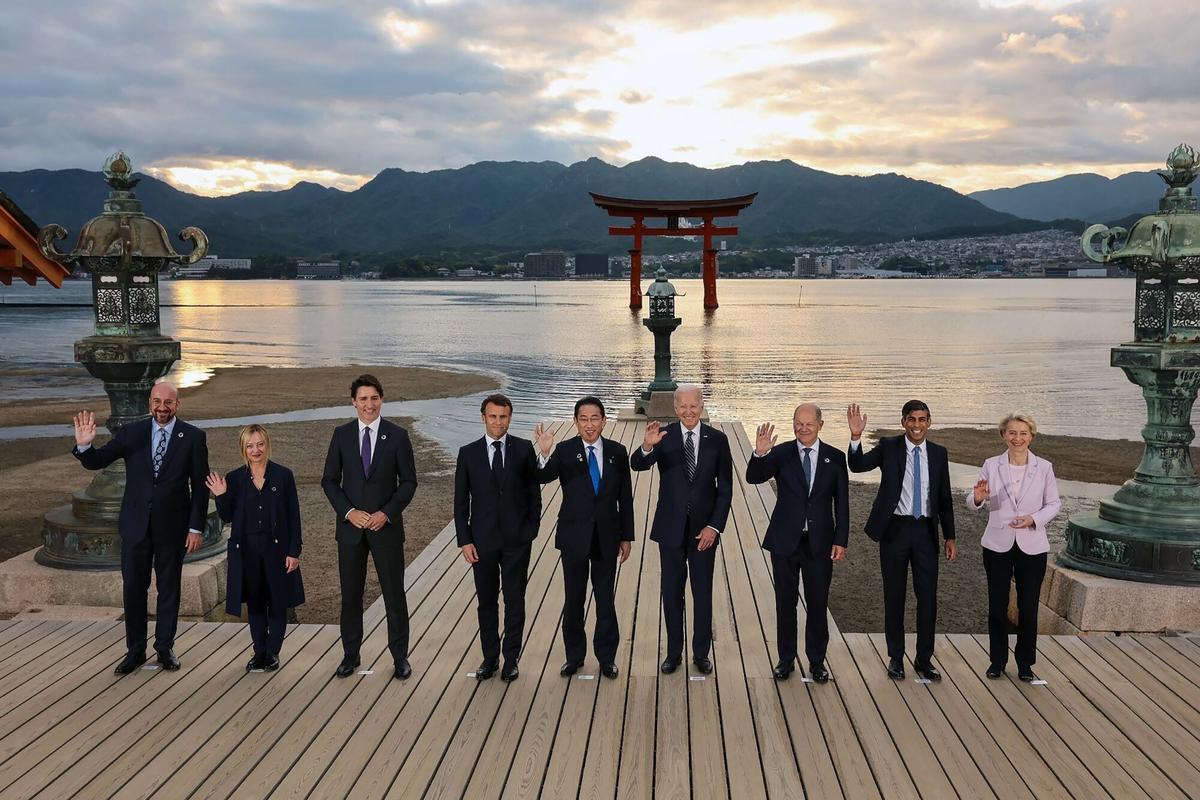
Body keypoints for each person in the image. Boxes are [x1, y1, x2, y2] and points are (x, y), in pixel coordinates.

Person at [72, 381, 209, 675]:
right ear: (150, 402)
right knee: (134, 589)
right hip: (134, 527)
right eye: (157, 401)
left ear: (177, 404)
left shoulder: (194, 437)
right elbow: (98, 461)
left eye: (168, 403)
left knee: (169, 589)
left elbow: (200, 488)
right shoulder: (131, 433)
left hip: (172, 528)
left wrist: (195, 528)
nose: (162, 408)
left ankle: (164, 649)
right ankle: (135, 651)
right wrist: (85, 445)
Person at [847, 400, 956, 681]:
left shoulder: (939, 453)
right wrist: (856, 436)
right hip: (895, 530)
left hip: (925, 533)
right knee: (894, 597)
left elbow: (944, 498)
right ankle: (895, 658)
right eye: (911, 419)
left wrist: (950, 536)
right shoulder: (889, 447)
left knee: (928, 598)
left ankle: (924, 660)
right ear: (903, 422)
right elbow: (857, 466)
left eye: (922, 419)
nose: (917, 425)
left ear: (929, 422)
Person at [630, 384, 732, 675]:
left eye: (693, 406)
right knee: (672, 592)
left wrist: (714, 526)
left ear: (701, 406)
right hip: (670, 529)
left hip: (704, 532)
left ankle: (701, 653)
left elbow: (724, 489)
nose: (688, 411)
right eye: (682, 407)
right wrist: (647, 446)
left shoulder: (718, 440)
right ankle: (673, 653)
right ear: (675, 409)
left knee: (702, 592)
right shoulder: (663, 435)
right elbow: (638, 465)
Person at [322, 374, 418, 681]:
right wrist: (349, 512)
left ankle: (400, 657)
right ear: (353, 402)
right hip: (350, 530)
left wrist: (386, 513)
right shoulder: (341, 435)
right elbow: (329, 481)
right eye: (363, 399)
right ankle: (350, 655)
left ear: (381, 400)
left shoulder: (398, 436)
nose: (369, 404)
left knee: (394, 594)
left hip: (385, 529)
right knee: (351, 595)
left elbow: (409, 483)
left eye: (374, 398)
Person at [746, 404, 848, 682]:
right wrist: (760, 453)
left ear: (820, 425)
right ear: (793, 424)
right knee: (785, 603)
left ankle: (817, 662)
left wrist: (841, 540)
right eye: (798, 423)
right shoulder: (781, 453)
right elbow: (753, 477)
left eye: (809, 424)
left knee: (817, 603)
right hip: (784, 541)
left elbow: (842, 504)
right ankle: (786, 659)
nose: (803, 429)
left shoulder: (835, 458)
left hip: (820, 543)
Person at [533, 396, 633, 679]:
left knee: (605, 599)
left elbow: (625, 497)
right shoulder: (564, 451)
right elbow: (544, 477)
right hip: (574, 536)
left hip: (607, 536)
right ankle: (574, 656)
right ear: (576, 422)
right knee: (574, 598)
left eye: (595, 419)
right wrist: (544, 453)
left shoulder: (617, 451)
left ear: (603, 420)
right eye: (584, 419)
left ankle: (606, 657)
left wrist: (626, 536)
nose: (589, 425)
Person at [454, 394, 542, 682]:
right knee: (487, 601)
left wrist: (531, 530)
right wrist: (465, 540)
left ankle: (511, 659)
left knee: (515, 600)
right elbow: (460, 503)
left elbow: (533, 494)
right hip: (482, 542)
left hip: (517, 541)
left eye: (503, 417)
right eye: (493, 416)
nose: (498, 422)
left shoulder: (524, 449)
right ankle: (490, 658)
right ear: (483, 418)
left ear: (510, 418)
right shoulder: (468, 453)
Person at [967, 413, 1060, 682]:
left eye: (1023, 433)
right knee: (997, 605)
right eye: (1012, 433)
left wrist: (1033, 519)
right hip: (997, 543)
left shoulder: (1044, 467)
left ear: (1031, 436)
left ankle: (1025, 664)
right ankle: (997, 661)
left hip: (1032, 545)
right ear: (1003, 435)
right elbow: (973, 501)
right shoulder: (991, 464)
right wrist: (977, 497)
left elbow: (1054, 504)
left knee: (1028, 607)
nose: (1017, 438)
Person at [206, 424, 305, 672]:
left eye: (260, 444)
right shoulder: (235, 479)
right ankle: (259, 652)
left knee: (278, 602)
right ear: (243, 448)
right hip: (247, 551)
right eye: (250, 445)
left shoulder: (283, 476)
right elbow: (227, 516)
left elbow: (294, 516)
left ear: (267, 444)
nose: (256, 449)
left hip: (277, 551)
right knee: (256, 604)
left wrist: (294, 551)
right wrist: (220, 495)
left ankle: (272, 653)